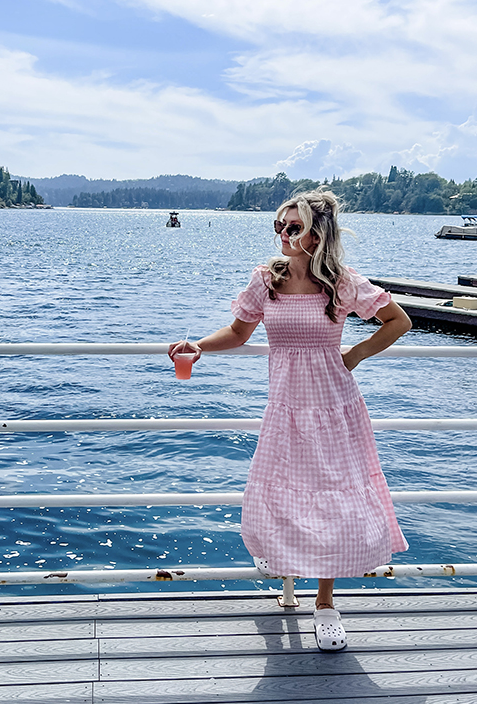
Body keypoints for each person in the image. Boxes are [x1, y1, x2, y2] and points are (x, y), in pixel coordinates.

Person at [168, 188, 411, 651]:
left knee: (331, 500)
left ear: (318, 235)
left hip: (334, 407)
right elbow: (239, 331)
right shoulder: (267, 280)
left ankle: (324, 603)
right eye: (278, 226)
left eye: (293, 227)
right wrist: (198, 345)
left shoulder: (340, 282)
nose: (282, 233)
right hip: (285, 406)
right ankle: (282, 561)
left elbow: (398, 321)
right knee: (282, 491)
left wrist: (353, 355)